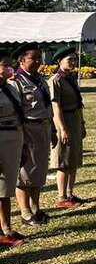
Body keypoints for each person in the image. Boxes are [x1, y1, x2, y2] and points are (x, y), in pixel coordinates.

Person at [14, 44, 53, 226]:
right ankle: (25, 212)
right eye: (33, 58)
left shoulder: (40, 79)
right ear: (22, 60)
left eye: (39, 58)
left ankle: (36, 207)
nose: (38, 61)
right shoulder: (16, 81)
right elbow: (15, 111)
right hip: (27, 129)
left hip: (43, 128)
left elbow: (47, 106)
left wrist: (53, 130)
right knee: (24, 173)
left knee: (39, 170)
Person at [49, 46, 86, 208]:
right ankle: (62, 197)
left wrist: (82, 123)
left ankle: (70, 194)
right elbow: (55, 107)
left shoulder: (70, 78)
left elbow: (78, 103)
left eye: (74, 59)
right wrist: (62, 129)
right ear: (59, 61)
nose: (73, 62)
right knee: (64, 161)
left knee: (74, 160)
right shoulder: (55, 80)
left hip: (74, 119)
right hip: (64, 121)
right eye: (69, 59)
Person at [0, 54, 26, 247]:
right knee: (1, 188)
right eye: (4, 65)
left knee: (6, 187)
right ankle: (3, 231)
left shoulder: (10, 88)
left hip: (13, 139)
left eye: (10, 65)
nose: (9, 69)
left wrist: (23, 145)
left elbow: (19, 115)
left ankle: (6, 228)